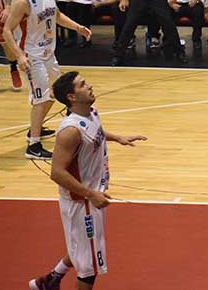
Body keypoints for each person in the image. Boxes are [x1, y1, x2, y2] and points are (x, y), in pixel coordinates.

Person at [28, 71, 147, 290]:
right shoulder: (70, 132)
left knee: (83, 248)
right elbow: (57, 173)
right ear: (72, 97)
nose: (89, 86)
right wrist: (91, 194)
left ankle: (50, 281)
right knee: (89, 268)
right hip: (81, 203)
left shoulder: (91, 112)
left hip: (91, 196)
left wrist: (117, 137)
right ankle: (50, 281)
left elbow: (96, 132)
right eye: (82, 85)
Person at [2, 0, 91, 159]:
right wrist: (19, 56)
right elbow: (7, 31)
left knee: (55, 92)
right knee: (41, 98)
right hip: (32, 56)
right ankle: (33, 146)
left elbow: (57, 16)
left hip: (49, 54)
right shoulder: (23, 2)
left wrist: (78, 27)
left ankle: (36, 128)